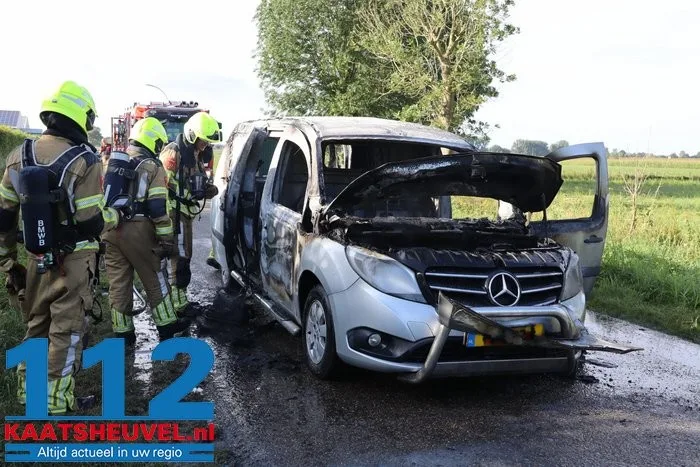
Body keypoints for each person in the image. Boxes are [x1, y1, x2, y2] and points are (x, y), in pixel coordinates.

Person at [0, 80, 120, 414]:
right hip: (74, 261)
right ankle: (55, 402)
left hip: (34, 256)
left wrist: (8, 262)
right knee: (66, 329)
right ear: (83, 118)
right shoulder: (86, 160)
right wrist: (115, 216)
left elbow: (4, 219)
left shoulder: (17, 156)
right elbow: (91, 221)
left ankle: (28, 392)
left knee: (37, 323)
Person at [103, 117, 190, 342]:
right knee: (155, 278)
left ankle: (123, 332)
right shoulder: (153, 166)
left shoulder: (114, 162)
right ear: (154, 141)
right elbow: (157, 207)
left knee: (118, 284)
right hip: (138, 230)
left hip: (111, 229)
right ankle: (168, 325)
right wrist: (166, 238)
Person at [159, 112, 219, 315]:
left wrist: (206, 190)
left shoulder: (195, 154)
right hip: (174, 212)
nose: (205, 145)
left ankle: (180, 299)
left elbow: (195, 180)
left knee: (185, 255)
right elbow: (161, 184)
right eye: (203, 140)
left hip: (185, 212)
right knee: (180, 256)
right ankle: (178, 304)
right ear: (193, 135)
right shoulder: (173, 152)